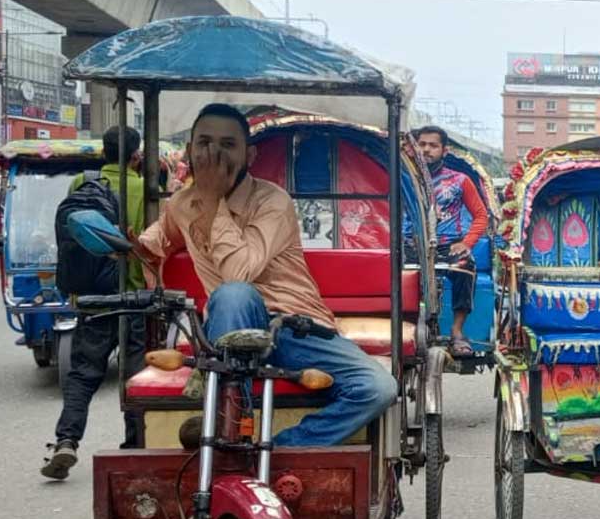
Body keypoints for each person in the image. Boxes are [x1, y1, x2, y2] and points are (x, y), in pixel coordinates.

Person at [134, 104, 396, 447]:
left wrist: (213, 202)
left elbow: (237, 271)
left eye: (228, 145)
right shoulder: (182, 204)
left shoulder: (273, 201)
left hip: (294, 329)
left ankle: (280, 449)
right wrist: (132, 249)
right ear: (189, 150)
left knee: (378, 388)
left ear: (250, 155)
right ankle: (230, 426)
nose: (213, 153)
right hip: (227, 331)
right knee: (231, 300)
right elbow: (155, 243)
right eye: (204, 143)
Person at [42, 125, 148, 480]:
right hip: (133, 297)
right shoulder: (141, 188)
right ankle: (135, 445)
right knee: (136, 376)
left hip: (93, 295)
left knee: (84, 373)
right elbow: (149, 245)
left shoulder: (81, 184)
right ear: (135, 155)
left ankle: (66, 441)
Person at [411, 125, 490, 355]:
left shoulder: (460, 180)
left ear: (444, 150)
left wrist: (466, 244)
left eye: (433, 145)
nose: (427, 150)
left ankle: (457, 331)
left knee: (466, 266)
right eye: (422, 144)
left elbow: (481, 216)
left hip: (447, 244)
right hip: (410, 244)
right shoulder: (402, 178)